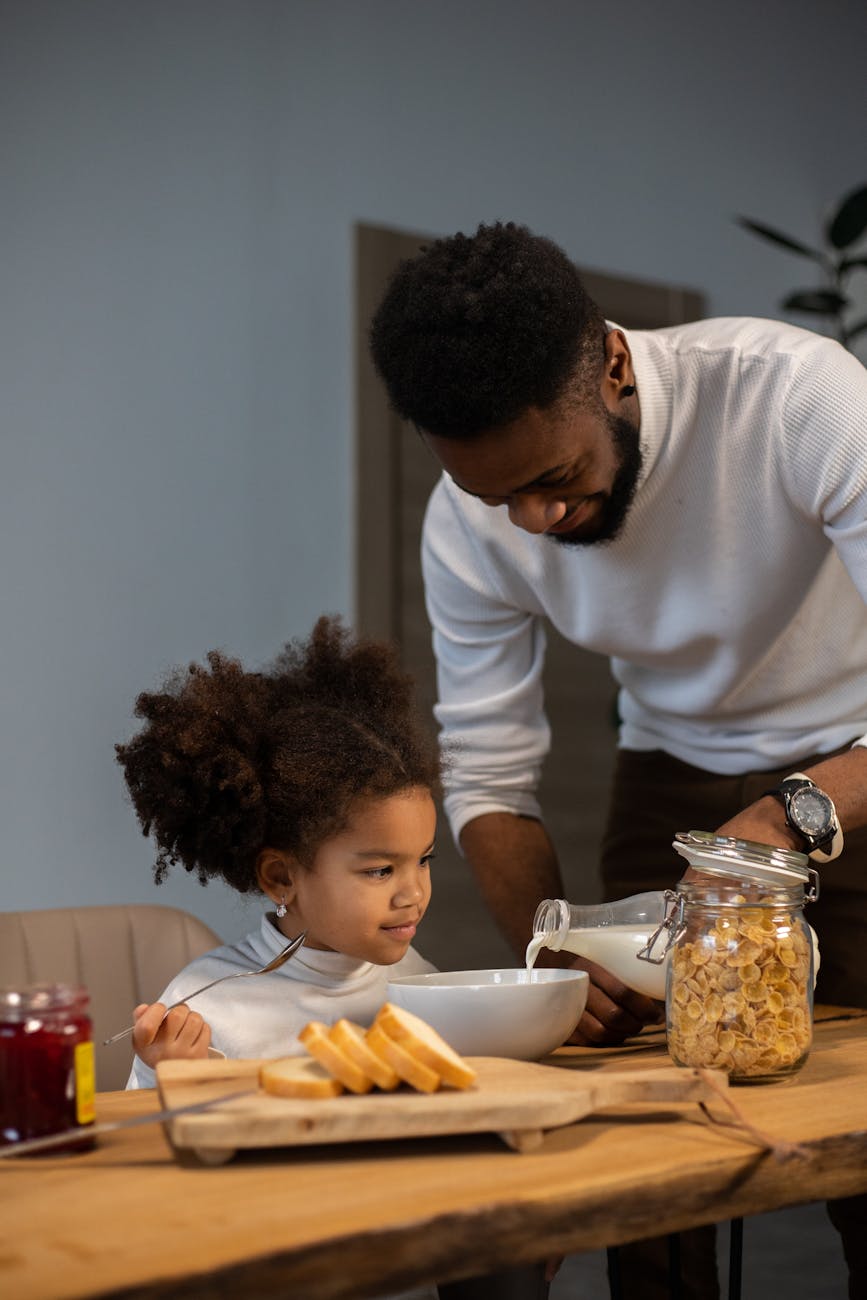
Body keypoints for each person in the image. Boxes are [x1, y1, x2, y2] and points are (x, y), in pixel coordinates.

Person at [369, 222, 867, 1300]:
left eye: (555, 477)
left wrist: (789, 816)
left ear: (610, 362)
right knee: (651, 1164)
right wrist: (551, 952)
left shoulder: (797, 397)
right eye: (505, 498)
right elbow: (492, 772)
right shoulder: (468, 524)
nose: (537, 520)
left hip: (856, 760)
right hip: (671, 770)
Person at [116, 614, 550, 1300]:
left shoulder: (421, 986)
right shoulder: (206, 1005)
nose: (412, 894)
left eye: (424, 862)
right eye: (379, 871)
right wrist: (177, 1078)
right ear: (281, 878)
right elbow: (147, 1173)